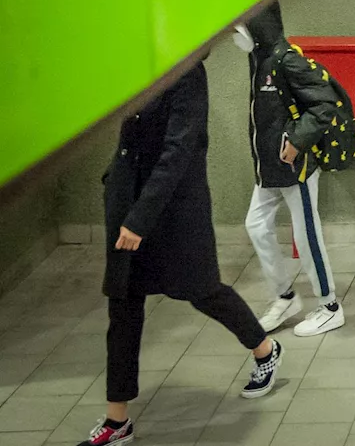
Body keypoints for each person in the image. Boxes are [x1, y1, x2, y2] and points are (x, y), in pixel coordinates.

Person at [83, 61, 282, 446]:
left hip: (175, 209)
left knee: (202, 290)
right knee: (122, 307)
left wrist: (140, 219)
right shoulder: (137, 69)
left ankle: (265, 348)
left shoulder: (188, 75)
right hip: (128, 200)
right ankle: (116, 420)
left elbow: (178, 151)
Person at [238, 1, 345, 338]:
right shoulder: (258, 61)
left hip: (295, 168)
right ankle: (285, 297)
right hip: (268, 169)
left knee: (306, 235)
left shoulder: (287, 60)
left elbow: (323, 103)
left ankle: (330, 307)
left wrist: (297, 141)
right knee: (256, 226)